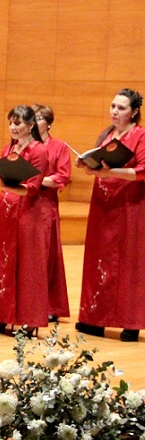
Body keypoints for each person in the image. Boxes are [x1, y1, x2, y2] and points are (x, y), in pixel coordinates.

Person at [76, 88, 145, 342]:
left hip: (129, 204)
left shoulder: (140, 135)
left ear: (134, 112)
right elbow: (100, 164)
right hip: (103, 203)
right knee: (99, 258)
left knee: (128, 262)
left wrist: (110, 173)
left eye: (121, 108)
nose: (114, 111)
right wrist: (87, 165)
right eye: (113, 106)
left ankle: (130, 322)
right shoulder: (106, 134)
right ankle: (95, 318)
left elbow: (142, 172)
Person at [0, 105, 51, 337]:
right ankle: (4, 315)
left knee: (28, 266)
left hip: (28, 213)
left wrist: (3, 185)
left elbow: (32, 189)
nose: (13, 127)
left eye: (18, 123)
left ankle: (29, 320)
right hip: (6, 210)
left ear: (30, 125)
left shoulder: (39, 151)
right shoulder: (9, 147)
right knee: (4, 261)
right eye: (11, 122)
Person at [33, 104, 71, 323]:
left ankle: (48, 305)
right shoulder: (24, 145)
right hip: (24, 202)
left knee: (45, 256)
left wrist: (35, 180)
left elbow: (62, 177)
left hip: (45, 204)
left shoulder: (58, 147)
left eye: (39, 117)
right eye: (33, 117)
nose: (36, 121)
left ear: (49, 122)